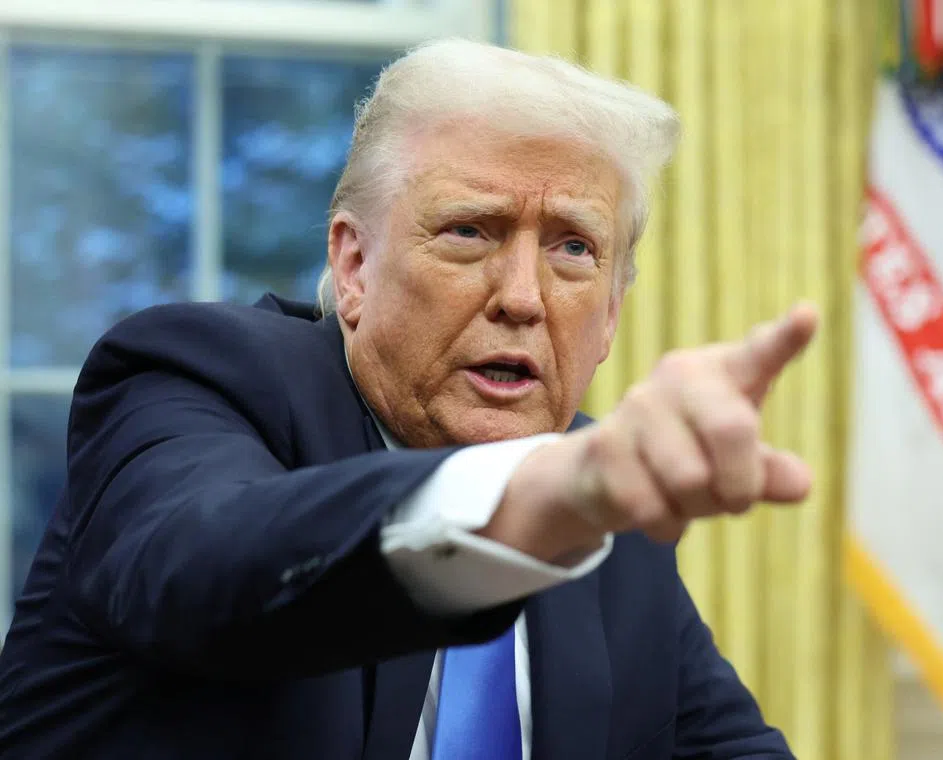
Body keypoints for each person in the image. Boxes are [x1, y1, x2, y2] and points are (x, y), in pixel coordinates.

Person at [0, 39, 815, 759]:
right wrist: (530, 498)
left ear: (610, 314)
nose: (523, 298)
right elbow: (205, 566)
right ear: (353, 269)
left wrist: (567, 491)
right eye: (471, 231)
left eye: (573, 248)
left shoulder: (606, 510)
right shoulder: (199, 380)